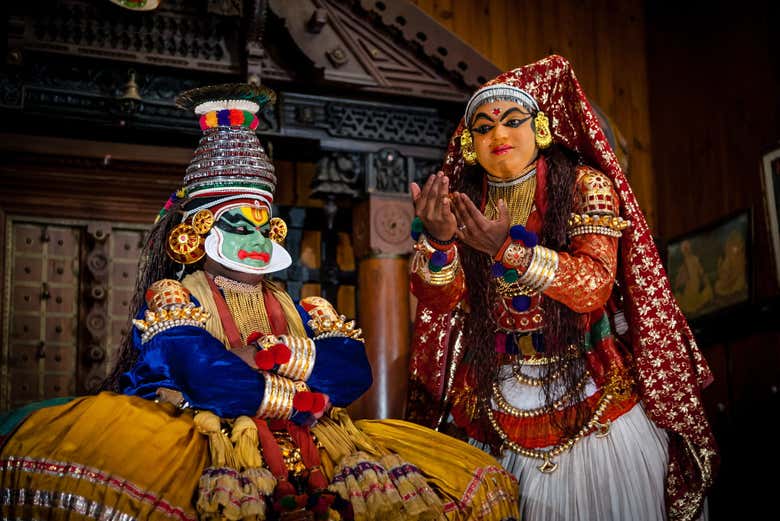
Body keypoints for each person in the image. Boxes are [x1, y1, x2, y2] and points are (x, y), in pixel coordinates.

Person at [0, 83, 520, 521]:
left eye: (261, 224)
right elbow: (209, 378)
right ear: (197, 233)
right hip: (207, 444)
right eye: (237, 224)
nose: (255, 237)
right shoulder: (174, 297)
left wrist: (274, 356)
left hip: (321, 443)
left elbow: (351, 371)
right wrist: (301, 395)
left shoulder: (304, 306)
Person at [406, 55, 717, 521]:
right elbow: (441, 300)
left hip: (589, 386)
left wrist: (507, 250)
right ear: (470, 144)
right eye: (483, 128)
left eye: (512, 121)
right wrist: (439, 241)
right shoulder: (462, 200)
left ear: (541, 129)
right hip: (493, 388)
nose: (498, 134)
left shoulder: (585, 186)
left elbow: (592, 285)